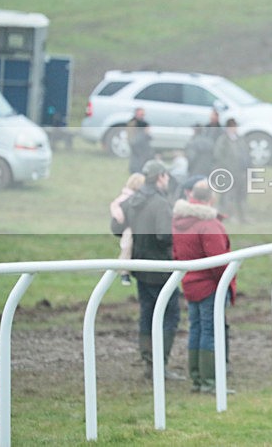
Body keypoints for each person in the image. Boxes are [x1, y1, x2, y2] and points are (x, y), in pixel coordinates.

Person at [110, 159, 185, 381]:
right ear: (160, 177)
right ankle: (159, 366)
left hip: (140, 268)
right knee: (170, 316)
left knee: (147, 315)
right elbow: (164, 236)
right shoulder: (160, 203)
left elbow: (116, 227)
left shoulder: (133, 199)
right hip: (161, 269)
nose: (168, 179)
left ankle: (148, 362)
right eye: (166, 175)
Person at [172, 179, 234, 394]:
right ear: (211, 198)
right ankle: (209, 382)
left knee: (196, 329)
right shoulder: (210, 224)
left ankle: (198, 378)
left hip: (190, 285)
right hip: (210, 287)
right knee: (209, 331)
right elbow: (219, 262)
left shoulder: (179, 220)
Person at [109, 172, 146, 286]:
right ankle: (124, 272)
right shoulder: (128, 197)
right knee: (127, 247)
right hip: (127, 227)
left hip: (130, 226)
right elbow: (116, 206)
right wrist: (120, 217)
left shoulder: (129, 196)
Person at [213, 118, 249, 223]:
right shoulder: (222, 140)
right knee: (229, 196)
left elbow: (245, 155)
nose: (234, 129)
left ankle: (242, 216)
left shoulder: (240, 139)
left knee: (241, 196)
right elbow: (218, 156)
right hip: (228, 173)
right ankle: (230, 216)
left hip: (241, 173)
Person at [128, 107, 154, 174]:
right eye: (140, 114)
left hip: (144, 145)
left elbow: (148, 135)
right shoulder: (132, 123)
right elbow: (131, 135)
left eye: (143, 114)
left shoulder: (145, 123)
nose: (142, 116)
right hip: (136, 144)